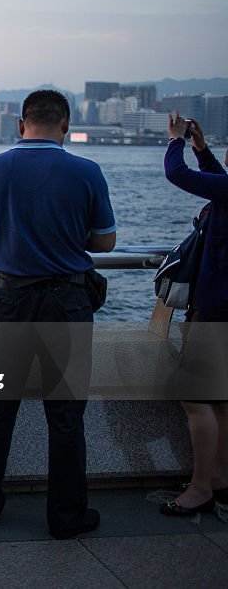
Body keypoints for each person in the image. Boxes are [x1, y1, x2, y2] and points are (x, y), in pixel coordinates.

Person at [0, 89, 117, 539]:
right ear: (65, 125)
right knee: (66, 414)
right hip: (67, 303)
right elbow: (104, 242)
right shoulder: (86, 171)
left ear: (21, 123)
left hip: (9, 299)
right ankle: (66, 516)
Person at [159, 114, 228, 515]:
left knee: (196, 399)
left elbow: (178, 175)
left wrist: (175, 142)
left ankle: (201, 488)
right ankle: (219, 479)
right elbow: (218, 184)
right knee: (220, 401)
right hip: (221, 306)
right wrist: (201, 147)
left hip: (217, 308)